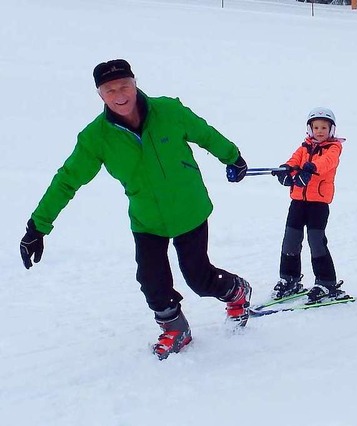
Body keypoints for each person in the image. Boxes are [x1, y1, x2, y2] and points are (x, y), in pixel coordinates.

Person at [19, 59, 252, 360]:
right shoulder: (96, 138)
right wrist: (37, 226)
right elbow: (67, 181)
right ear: (100, 95)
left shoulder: (168, 110)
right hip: (147, 219)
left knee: (198, 276)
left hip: (189, 209)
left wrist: (232, 156)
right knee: (151, 280)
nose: (119, 94)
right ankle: (175, 328)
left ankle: (236, 292)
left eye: (124, 86)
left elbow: (204, 133)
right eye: (109, 89)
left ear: (135, 83)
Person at [271, 107, 345, 304]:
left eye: (324, 127)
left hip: (318, 204)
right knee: (290, 240)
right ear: (310, 129)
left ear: (331, 130)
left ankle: (326, 282)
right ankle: (289, 279)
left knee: (316, 241)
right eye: (316, 127)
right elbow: (294, 160)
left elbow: (326, 162)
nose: (319, 131)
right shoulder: (304, 147)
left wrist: (310, 168)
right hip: (297, 201)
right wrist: (286, 170)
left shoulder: (334, 148)